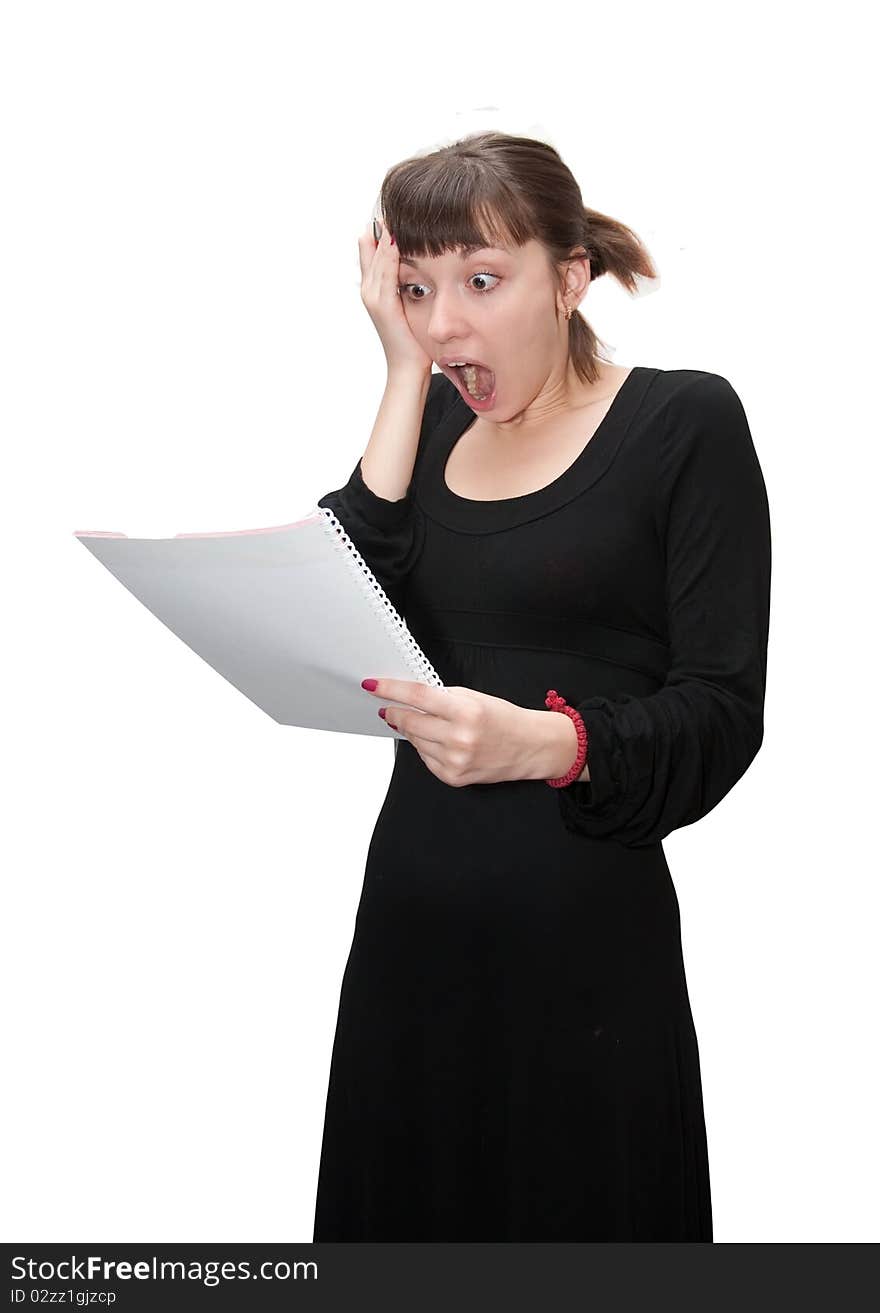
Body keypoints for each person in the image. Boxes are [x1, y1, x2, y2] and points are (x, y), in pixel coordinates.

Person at [311, 131, 771, 1242]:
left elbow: (721, 711)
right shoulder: (422, 437)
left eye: (480, 279)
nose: (442, 321)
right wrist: (402, 381)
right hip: (408, 951)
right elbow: (340, 604)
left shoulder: (681, 423)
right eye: (414, 288)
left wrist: (542, 743)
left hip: (582, 967)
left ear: (568, 279)